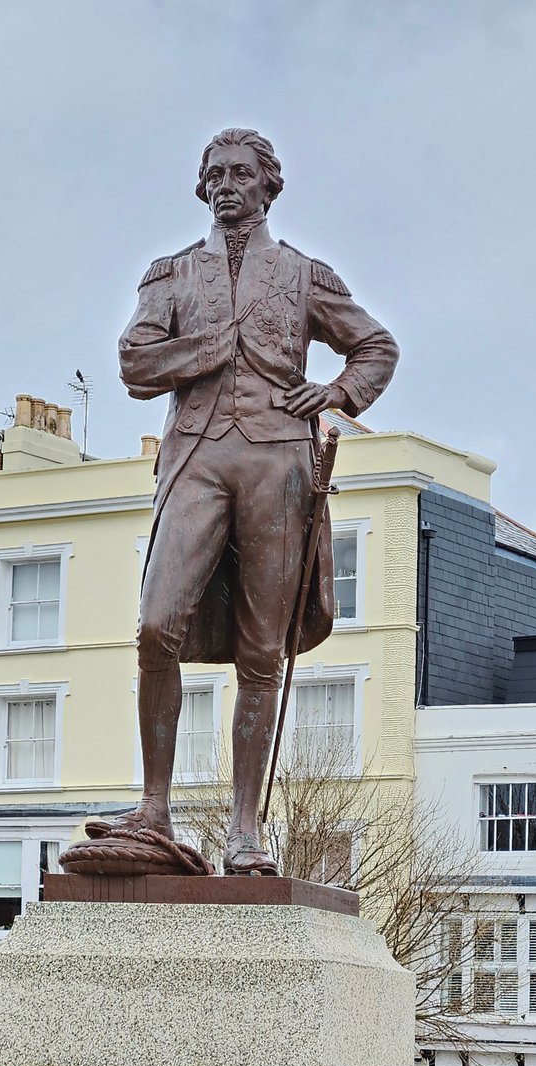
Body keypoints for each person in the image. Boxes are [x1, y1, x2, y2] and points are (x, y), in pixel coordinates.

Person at [111, 128, 399, 875]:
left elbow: (376, 347)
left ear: (270, 186)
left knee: (261, 652)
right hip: (197, 452)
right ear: (202, 187)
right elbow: (135, 362)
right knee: (154, 625)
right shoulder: (169, 274)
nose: (227, 184)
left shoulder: (308, 276)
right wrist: (208, 350)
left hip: (279, 460)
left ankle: (245, 831)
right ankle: (154, 808)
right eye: (215, 174)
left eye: (242, 173)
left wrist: (335, 394)